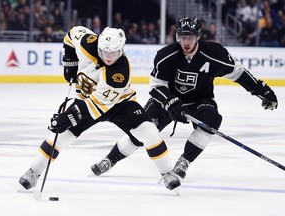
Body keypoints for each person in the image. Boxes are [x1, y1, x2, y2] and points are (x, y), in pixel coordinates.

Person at [91, 16, 278, 180]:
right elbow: (156, 87)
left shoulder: (214, 54)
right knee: (141, 130)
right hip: (167, 102)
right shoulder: (166, 56)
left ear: (198, 37)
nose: (185, 41)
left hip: (200, 101)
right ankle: (109, 159)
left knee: (212, 120)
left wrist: (262, 90)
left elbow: (238, 73)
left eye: (190, 37)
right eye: (182, 37)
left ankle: (184, 162)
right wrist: (170, 101)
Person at [19, 26, 180, 191]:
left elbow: (95, 106)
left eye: (114, 52)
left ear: (121, 50)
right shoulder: (87, 43)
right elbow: (72, 34)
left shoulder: (119, 73)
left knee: (149, 132)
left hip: (120, 105)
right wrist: (69, 62)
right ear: (98, 46)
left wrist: (66, 117)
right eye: (104, 51)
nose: (109, 56)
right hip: (87, 100)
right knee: (60, 136)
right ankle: (33, 171)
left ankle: (167, 173)